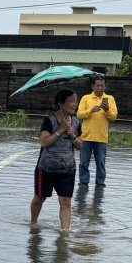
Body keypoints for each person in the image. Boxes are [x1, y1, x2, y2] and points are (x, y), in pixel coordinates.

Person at [31, 88, 82, 234]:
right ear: (60, 103)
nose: (75, 105)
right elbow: (44, 142)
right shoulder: (49, 121)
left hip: (67, 169)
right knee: (39, 198)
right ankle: (33, 223)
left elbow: (81, 146)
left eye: (76, 101)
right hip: (46, 168)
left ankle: (65, 233)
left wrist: (72, 135)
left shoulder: (77, 122)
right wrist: (60, 130)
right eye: (72, 101)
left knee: (66, 202)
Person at [76, 77, 118, 187]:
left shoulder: (110, 99)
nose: (100, 88)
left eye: (102, 86)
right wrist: (91, 110)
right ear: (92, 86)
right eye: (97, 85)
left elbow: (114, 117)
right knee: (83, 163)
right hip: (86, 137)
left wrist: (107, 110)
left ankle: (100, 184)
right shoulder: (86, 98)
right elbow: (79, 114)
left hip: (101, 138)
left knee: (100, 163)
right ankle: (83, 183)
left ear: (105, 86)